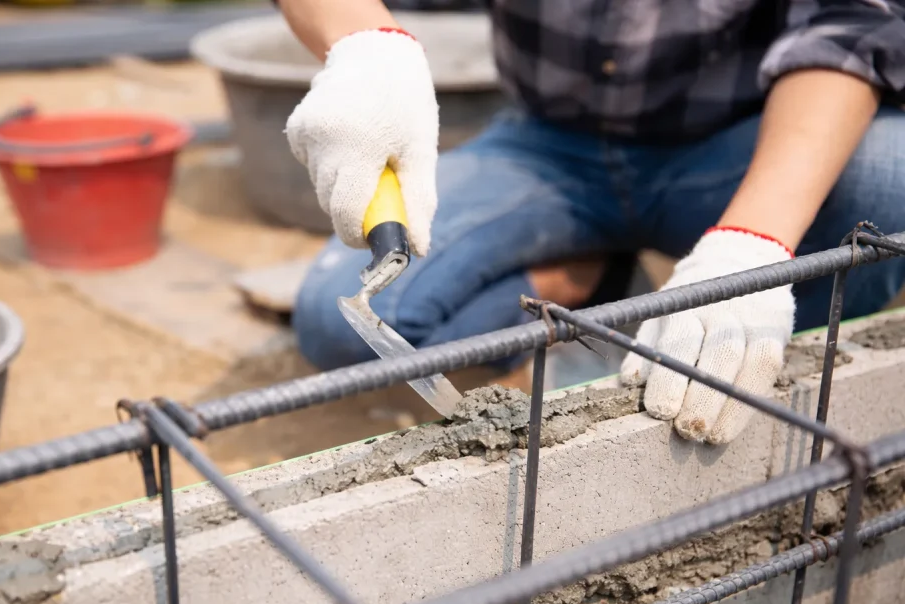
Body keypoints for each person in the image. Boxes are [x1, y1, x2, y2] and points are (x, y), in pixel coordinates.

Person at [276, 0, 905, 445]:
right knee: (337, 328)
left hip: (734, 147)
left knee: (889, 176)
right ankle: (586, 278)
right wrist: (365, 45)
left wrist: (751, 245)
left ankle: (777, 379)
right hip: (548, 150)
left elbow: (853, 25)